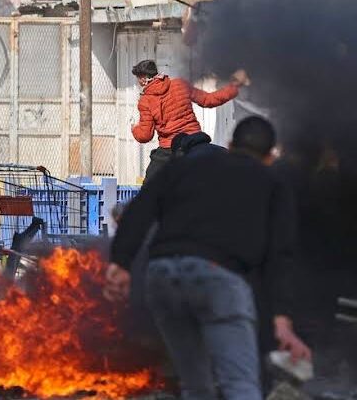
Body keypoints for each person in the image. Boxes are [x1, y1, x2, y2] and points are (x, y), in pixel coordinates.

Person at [105, 116, 311, 400]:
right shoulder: (273, 182)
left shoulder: (185, 166)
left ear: (231, 144)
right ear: (270, 156)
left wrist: (121, 263)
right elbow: (280, 254)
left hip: (162, 275)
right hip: (219, 276)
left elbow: (139, 209)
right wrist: (282, 321)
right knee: (240, 385)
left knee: (196, 387)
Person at [130, 60, 250, 182]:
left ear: (143, 79)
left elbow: (145, 135)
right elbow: (209, 100)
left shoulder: (145, 101)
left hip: (169, 148)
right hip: (196, 141)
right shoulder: (179, 84)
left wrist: (134, 128)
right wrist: (234, 88)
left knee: (151, 185)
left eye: (138, 79)